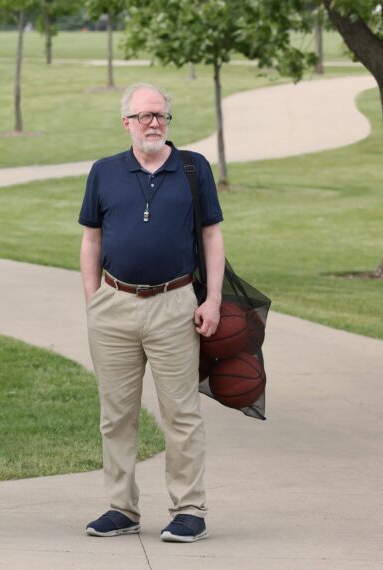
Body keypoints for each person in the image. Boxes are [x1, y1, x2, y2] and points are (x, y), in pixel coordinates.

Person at [78, 83, 225, 543]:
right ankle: (121, 508)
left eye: (161, 116)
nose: (154, 124)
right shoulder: (104, 172)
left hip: (176, 304)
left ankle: (189, 510)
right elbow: (91, 239)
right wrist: (93, 300)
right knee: (116, 414)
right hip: (113, 305)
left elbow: (212, 237)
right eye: (144, 116)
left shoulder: (193, 168)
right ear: (127, 123)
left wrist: (213, 299)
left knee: (181, 412)